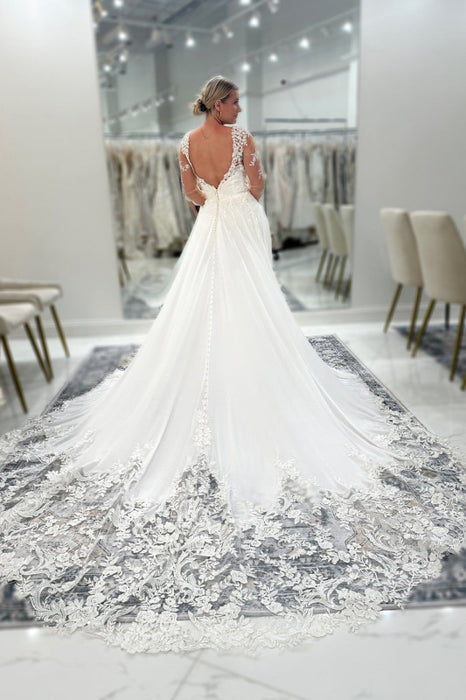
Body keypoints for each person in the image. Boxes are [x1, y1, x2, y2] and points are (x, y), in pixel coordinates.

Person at [0, 76, 464, 655]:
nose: (241, 107)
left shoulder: (185, 144)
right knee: (251, 303)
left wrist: (215, 198)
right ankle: (253, 375)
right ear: (219, 103)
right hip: (242, 224)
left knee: (202, 307)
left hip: (211, 229)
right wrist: (240, 193)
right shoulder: (242, 139)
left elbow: (191, 196)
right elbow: (259, 186)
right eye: (235, 100)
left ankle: (211, 375)